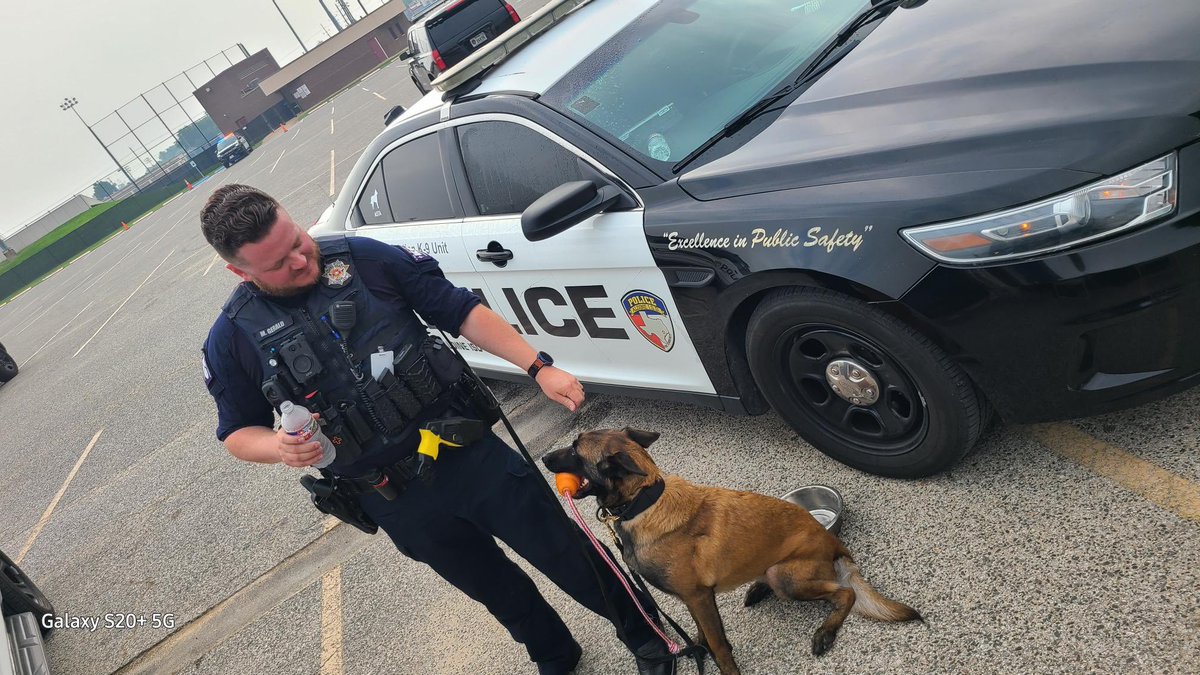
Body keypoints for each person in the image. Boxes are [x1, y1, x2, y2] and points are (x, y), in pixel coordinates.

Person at [199, 185, 675, 675]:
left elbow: (459, 310)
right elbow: (237, 432)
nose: (300, 259)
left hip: (468, 454)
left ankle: (648, 639)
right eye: (279, 263)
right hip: (394, 498)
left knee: (568, 555)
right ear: (240, 272)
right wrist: (277, 447)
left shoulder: (364, 259)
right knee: (495, 589)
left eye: (297, 239)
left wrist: (538, 367)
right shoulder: (232, 338)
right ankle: (555, 655)